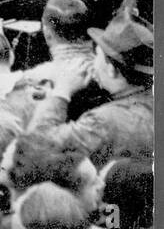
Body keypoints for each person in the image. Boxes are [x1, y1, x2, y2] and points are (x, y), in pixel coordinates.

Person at [26, 12, 153, 167]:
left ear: (111, 69)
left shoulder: (103, 122)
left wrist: (61, 92)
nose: (93, 62)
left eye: (97, 54)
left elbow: (34, 147)